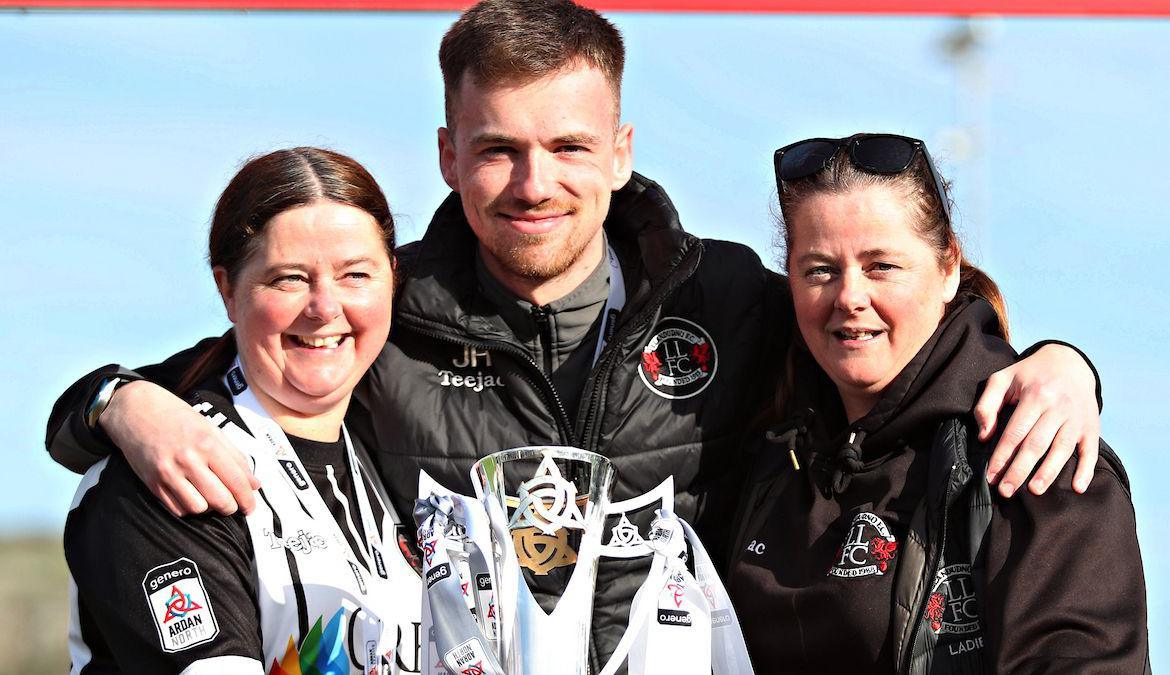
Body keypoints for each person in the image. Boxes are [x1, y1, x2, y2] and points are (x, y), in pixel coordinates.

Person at [48, 1, 1104, 669]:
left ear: (620, 149)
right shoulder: (380, 306)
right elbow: (256, 374)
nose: (534, 183)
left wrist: (1051, 365)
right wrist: (111, 400)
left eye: (567, 145)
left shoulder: (728, 297)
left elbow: (883, 328)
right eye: (498, 149)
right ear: (449, 154)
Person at [728, 134, 1148, 674]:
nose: (850, 296)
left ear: (948, 265)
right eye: (820, 270)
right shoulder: (765, 442)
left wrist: (1070, 365)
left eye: (882, 266)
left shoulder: (1036, 450)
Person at [64, 148, 424, 674]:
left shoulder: (392, 447)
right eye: (288, 279)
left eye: (355, 275)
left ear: (393, 277)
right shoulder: (170, 470)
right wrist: (117, 400)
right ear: (228, 290)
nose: (325, 308)